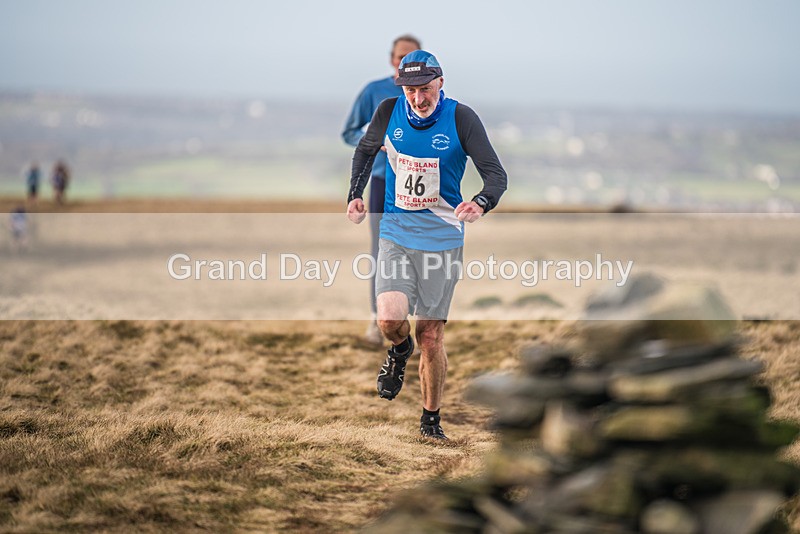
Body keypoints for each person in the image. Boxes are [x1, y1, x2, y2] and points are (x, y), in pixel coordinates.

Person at [346, 50, 507, 440]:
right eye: (411, 90)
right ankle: (399, 351)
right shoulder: (388, 111)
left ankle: (430, 421)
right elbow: (366, 150)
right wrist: (354, 194)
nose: (419, 98)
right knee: (388, 319)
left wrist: (480, 202)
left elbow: (495, 176)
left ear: (440, 83)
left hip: (443, 238)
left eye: (426, 89)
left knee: (431, 335)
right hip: (397, 232)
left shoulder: (461, 117)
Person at [342, 34, 422, 345]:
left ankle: (413, 326)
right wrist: (374, 145)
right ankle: (378, 322)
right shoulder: (375, 92)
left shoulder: (425, 92)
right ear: (392, 59)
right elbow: (350, 132)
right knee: (382, 253)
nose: (406, 62)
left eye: (413, 57)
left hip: (417, 185)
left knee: (418, 253)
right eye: (401, 57)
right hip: (381, 183)